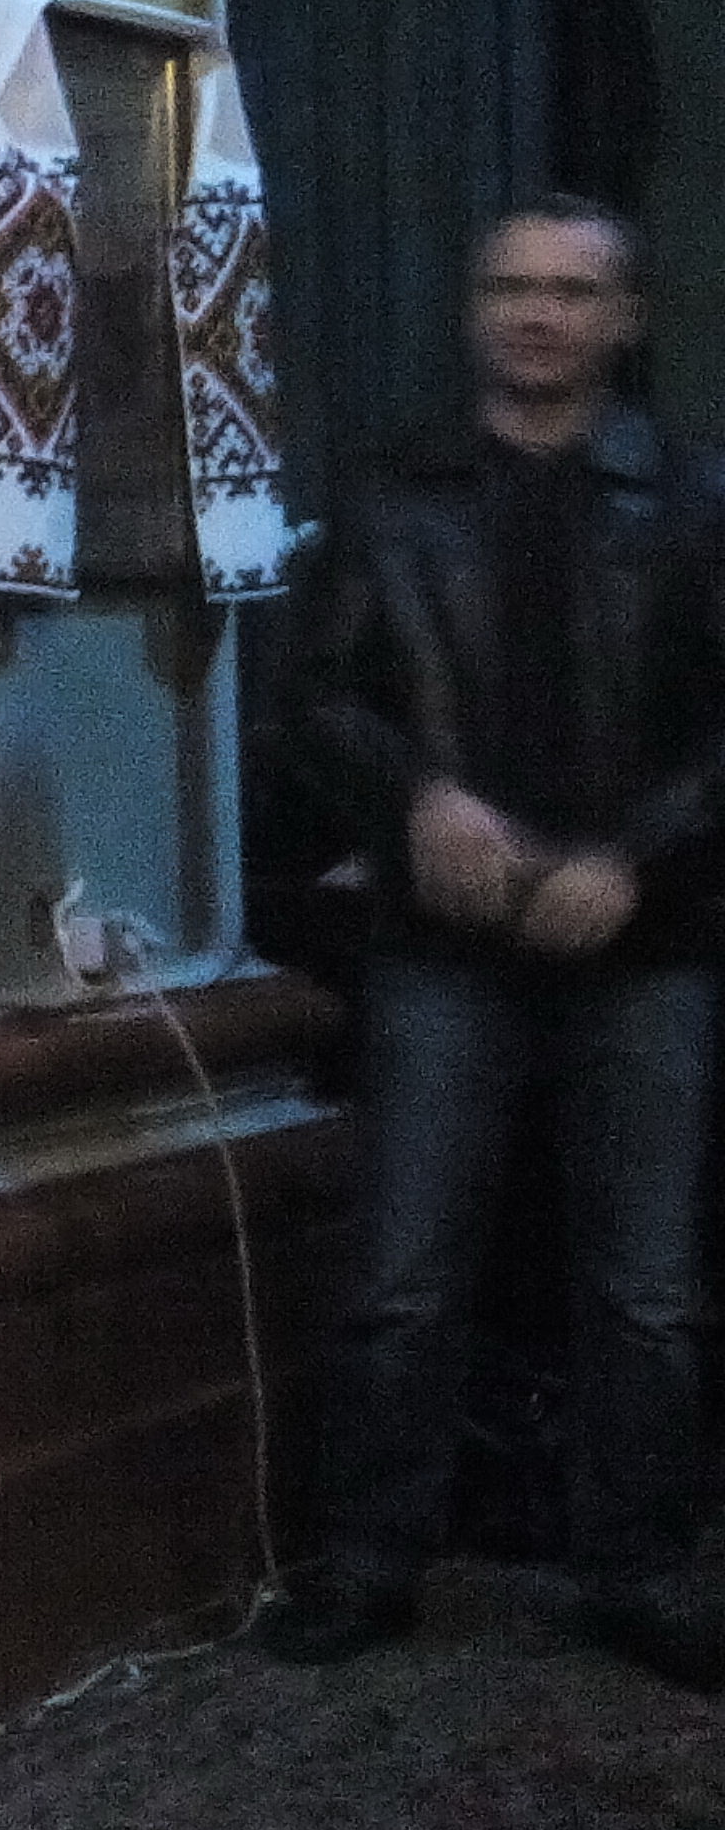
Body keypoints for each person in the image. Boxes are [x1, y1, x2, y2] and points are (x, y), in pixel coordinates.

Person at [271, 197, 725, 1691]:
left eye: (569, 292)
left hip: (645, 943)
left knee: (646, 1293)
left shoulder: (693, 498)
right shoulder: (393, 495)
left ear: (624, 319)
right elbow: (316, 694)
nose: (536, 314)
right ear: (475, 309)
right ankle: (367, 1564)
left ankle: (638, 1573)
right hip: (444, 941)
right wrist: (415, 798)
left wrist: (634, 857)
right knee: (403, 1274)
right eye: (510, 287)